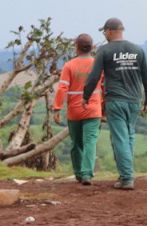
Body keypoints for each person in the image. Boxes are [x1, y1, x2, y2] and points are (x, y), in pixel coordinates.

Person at [83, 17, 147, 190]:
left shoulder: (104, 51)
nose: (104, 34)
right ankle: (124, 174)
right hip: (134, 101)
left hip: (115, 101)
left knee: (120, 138)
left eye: (105, 31)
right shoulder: (138, 50)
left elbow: (94, 76)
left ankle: (127, 178)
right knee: (128, 136)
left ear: (110, 31)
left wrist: (86, 96)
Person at [52, 33, 102, 185]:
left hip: (74, 111)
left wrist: (57, 108)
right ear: (92, 47)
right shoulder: (97, 64)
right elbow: (104, 87)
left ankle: (79, 173)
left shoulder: (69, 65)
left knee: (76, 143)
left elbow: (62, 88)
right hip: (93, 109)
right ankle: (87, 173)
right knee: (90, 142)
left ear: (76, 47)